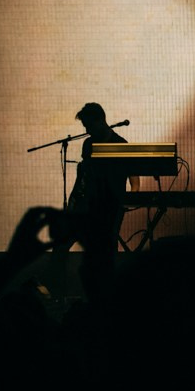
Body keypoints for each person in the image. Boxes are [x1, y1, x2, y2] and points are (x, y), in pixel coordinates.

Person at [66, 103, 139, 296]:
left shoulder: (120, 144)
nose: (87, 130)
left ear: (100, 121)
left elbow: (134, 178)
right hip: (89, 205)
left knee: (106, 249)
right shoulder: (89, 144)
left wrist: (129, 201)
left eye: (89, 125)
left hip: (112, 205)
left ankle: (107, 293)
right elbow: (84, 176)